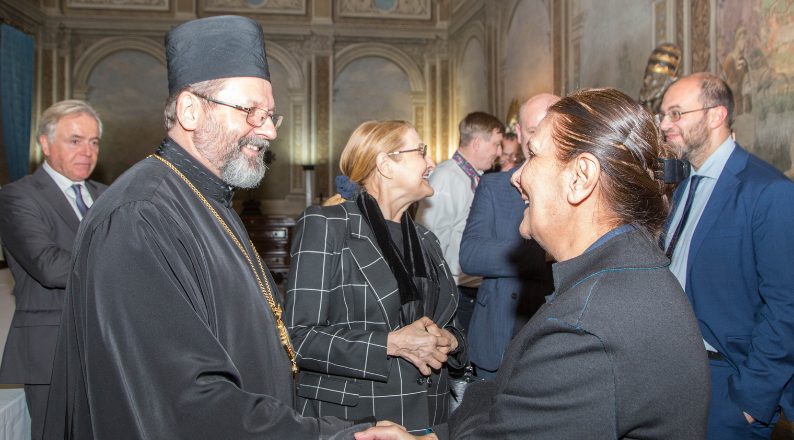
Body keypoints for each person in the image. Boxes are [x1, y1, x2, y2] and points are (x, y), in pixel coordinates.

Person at [42, 15, 376, 439]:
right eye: (251, 112)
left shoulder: (209, 199)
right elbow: (182, 403)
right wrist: (329, 435)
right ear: (190, 111)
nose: (269, 130)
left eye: (271, 115)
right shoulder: (138, 216)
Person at [355, 88, 711, 440]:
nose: (516, 176)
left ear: (580, 178)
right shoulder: (626, 275)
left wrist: (478, 399)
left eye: (535, 156)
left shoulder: (584, 329)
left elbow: (502, 420)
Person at [286, 120, 466, 433]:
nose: (432, 163)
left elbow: (454, 327)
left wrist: (450, 341)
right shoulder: (327, 225)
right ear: (385, 163)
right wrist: (390, 343)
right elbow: (299, 338)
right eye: (421, 151)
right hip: (357, 420)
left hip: (430, 418)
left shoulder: (427, 240)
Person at [659, 72, 794, 439]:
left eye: (676, 113)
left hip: (725, 383)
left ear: (716, 115)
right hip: (672, 374)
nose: (665, 125)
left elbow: (786, 306)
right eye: (663, 115)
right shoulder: (683, 187)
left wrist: (750, 402)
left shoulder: (769, 191)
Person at [0, 100, 106, 440]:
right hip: (52, 349)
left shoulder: (108, 196)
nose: (87, 151)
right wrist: (121, 264)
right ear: (45, 144)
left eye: (93, 142)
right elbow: (48, 266)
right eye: (75, 140)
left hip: (107, 346)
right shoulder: (17, 197)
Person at [459, 93, 558, 379]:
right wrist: (546, 253)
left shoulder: (579, 185)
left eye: (551, 129)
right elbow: (471, 255)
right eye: (533, 130)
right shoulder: (495, 185)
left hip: (553, 337)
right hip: (498, 335)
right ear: (518, 131)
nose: (541, 140)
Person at [415, 112, 504, 336]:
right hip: (455, 293)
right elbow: (428, 241)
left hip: (469, 290)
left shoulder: (472, 177)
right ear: (477, 143)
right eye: (496, 144)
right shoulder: (446, 177)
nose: (499, 152)